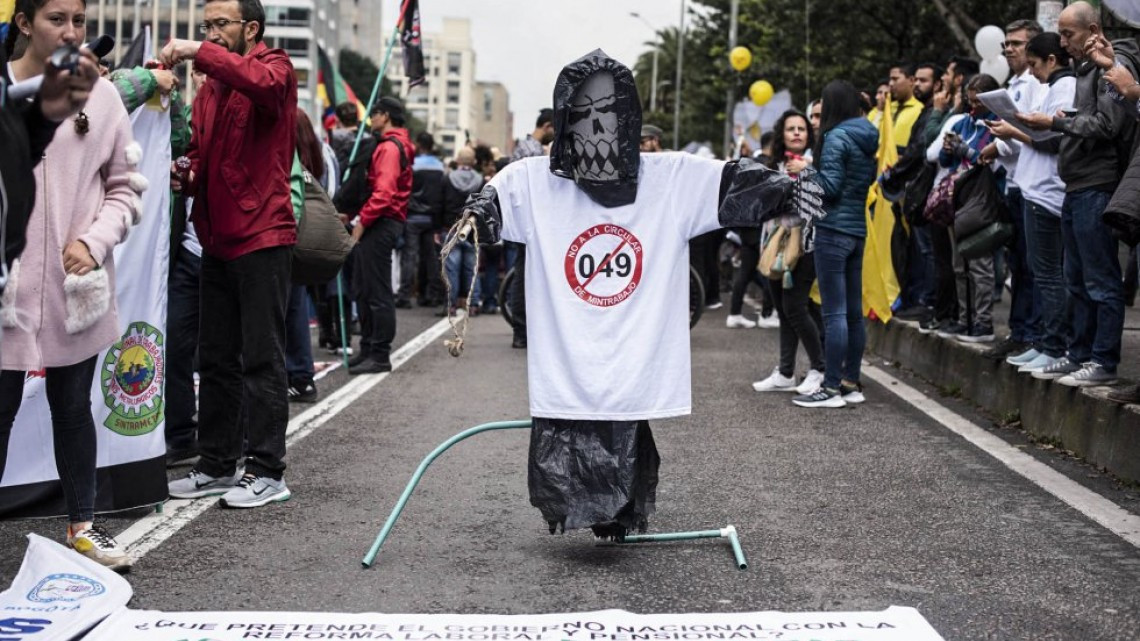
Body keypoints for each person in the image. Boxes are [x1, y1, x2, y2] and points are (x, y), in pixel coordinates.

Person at [460, 50, 793, 538]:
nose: (596, 127)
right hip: (570, 352)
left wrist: (786, 190)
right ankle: (589, 508)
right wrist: (480, 212)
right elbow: (500, 196)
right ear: (565, 123)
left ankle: (617, 511)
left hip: (631, 352)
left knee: (622, 418)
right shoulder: (537, 184)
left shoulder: (668, 180)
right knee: (574, 419)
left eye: (607, 113)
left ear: (628, 119)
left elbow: (726, 182)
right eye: (583, 114)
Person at [0, 0, 138, 569]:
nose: (72, 31)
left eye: (79, 20)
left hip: (74, 290)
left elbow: (126, 185)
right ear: (25, 23)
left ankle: (83, 524)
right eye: (58, 18)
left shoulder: (102, 96)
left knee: (74, 408)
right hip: (7, 289)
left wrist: (95, 241)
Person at [162, 0, 300, 508]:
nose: (212, 34)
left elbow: (261, 85)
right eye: (206, 26)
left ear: (251, 28)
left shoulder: (276, 67)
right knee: (215, 357)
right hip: (216, 236)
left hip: (263, 233)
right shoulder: (212, 86)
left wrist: (198, 50)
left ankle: (267, 470)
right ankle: (217, 464)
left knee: (262, 358)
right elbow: (200, 152)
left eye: (220, 24)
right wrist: (186, 172)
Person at [1022, 1, 1138, 387]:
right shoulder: (1084, 68)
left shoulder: (1114, 65)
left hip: (1098, 184)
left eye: (1068, 34)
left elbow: (1108, 124)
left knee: (1101, 280)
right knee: (1075, 277)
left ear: (1093, 29)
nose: (1062, 41)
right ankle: (1079, 353)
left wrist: (1055, 122)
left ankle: (1103, 361)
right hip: (1075, 186)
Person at [987, 32, 1076, 376]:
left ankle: (1054, 344)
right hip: (1036, 189)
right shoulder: (1053, 87)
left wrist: (1015, 131)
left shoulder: (1064, 87)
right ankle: (1046, 342)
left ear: (1051, 60)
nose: (1034, 72)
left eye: (1036, 64)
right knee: (1041, 273)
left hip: (1047, 191)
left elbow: (1055, 140)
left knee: (1050, 275)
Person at [792, 80, 878, 409]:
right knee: (854, 314)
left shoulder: (834, 137)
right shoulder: (867, 134)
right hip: (857, 230)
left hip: (832, 230)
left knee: (835, 314)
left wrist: (805, 170)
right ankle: (850, 381)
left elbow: (829, 186)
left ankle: (829, 388)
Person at [978, 19, 1046, 362]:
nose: (1008, 49)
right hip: (1015, 183)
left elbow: (1036, 136)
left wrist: (1001, 142)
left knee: (1035, 267)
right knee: (1018, 264)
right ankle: (1020, 331)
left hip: (1034, 185)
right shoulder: (1015, 83)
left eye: (1016, 44)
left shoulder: (1039, 83)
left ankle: (1033, 334)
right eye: (1006, 43)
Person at [751, 109, 825, 395]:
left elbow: (818, 203)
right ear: (782, 134)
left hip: (806, 244)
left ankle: (819, 369)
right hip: (773, 244)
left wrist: (805, 172)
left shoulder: (816, 163)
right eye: (791, 129)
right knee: (783, 309)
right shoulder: (773, 166)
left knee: (796, 307)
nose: (796, 133)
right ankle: (785, 372)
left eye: (802, 129)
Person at [933, 74, 1002, 344]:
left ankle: (983, 323)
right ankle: (965, 320)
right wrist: (949, 148)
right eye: (970, 101)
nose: (974, 107)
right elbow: (942, 159)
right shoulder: (962, 122)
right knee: (958, 265)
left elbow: (989, 160)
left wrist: (966, 151)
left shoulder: (996, 124)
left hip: (981, 200)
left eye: (979, 102)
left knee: (980, 264)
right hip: (956, 198)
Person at [347, 96, 413, 374]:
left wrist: (362, 221)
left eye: (374, 114)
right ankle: (369, 346)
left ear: (385, 116)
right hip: (381, 221)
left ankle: (380, 353)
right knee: (364, 288)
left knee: (376, 290)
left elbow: (384, 193)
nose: (371, 119)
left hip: (381, 222)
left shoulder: (389, 147)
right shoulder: (394, 145)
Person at [164, 64, 206, 465]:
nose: (203, 78)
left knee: (229, 354)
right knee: (174, 347)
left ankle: (233, 437)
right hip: (188, 257)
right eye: (199, 72)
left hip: (232, 255)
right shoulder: (184, 124)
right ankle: (180, 434)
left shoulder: (253, 120)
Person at [505, 109, 554, 348]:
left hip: (526, 220)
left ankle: (523, 331)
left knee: (525, 274)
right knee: (525, 275)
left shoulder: (523, 148)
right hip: (531, 221)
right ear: (546, 126)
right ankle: (523, 331)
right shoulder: (532, 151)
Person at [285, 108, 324, 403]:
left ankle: (297, 374)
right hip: (307, 239)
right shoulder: (318, 158)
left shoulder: (288, 154)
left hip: (286, 235)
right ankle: (300, 375)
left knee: (287, 309)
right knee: (296, 306)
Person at [397, 131, 445, 309]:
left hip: (412, 215)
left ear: (418, 144)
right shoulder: (440, 167)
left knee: (409, 256)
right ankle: (432, 294)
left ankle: (405, 295)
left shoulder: (412, 165)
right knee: (431, 257)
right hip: (431, 218)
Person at [441, 147, 485, 314]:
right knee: (472, 269)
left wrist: (439, 227)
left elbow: (441, 204)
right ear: (473, 162)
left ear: (458, 160)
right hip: (472, 229)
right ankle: (473, 304)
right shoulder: (480, 181)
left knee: (451, 268)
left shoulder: (447, 179)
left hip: (451, 228)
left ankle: (451, 304)